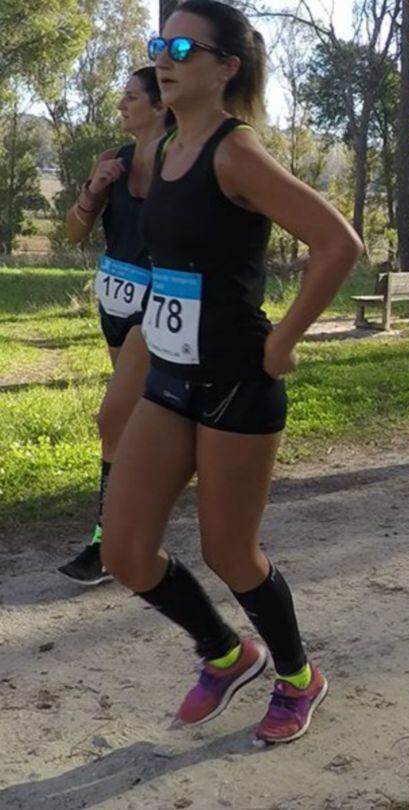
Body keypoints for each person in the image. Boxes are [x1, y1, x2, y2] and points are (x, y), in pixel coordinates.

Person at [100, 0, 363, 744]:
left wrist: (280, 345)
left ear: (226, 67)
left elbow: (337, 243)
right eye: (160, 42)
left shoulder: (233, 150)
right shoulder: (165, 147)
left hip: (238, 382)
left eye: (184, 44)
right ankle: (223, 652)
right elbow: (173, 270)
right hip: (171, 379)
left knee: (229, 552)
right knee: (124, 550)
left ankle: (298, 676)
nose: (165, 54)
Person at [58, 67, 172, 586]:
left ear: (160, 105)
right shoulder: (114, 161)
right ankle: (132, 535)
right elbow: (75, 233)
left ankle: (107, 544)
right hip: (115, 299)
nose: (121, 105)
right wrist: (93, 190)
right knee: (134, 425)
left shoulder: (181, 161)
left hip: (158, 308)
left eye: (131, 98)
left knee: (112, 419)